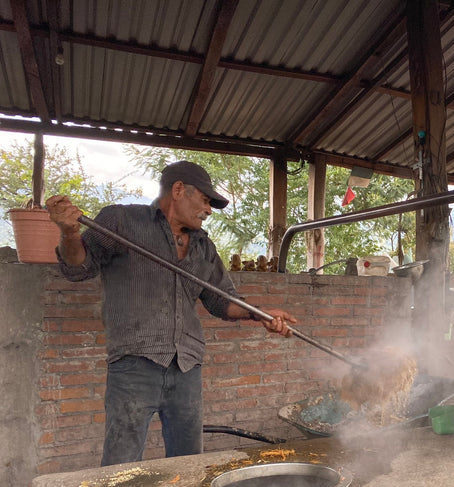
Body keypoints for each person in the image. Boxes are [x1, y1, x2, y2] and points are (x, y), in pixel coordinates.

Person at [47, 160, 297, 466]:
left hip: (187, 365)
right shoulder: (122, 221)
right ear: (179, 190)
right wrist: (70, 234)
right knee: (120, 465)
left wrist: (260, 314)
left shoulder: (204, 247)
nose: (208, 210)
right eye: (205, 200)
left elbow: (221, 301)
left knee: (188, 463)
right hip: (134, 365)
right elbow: (78, 268)